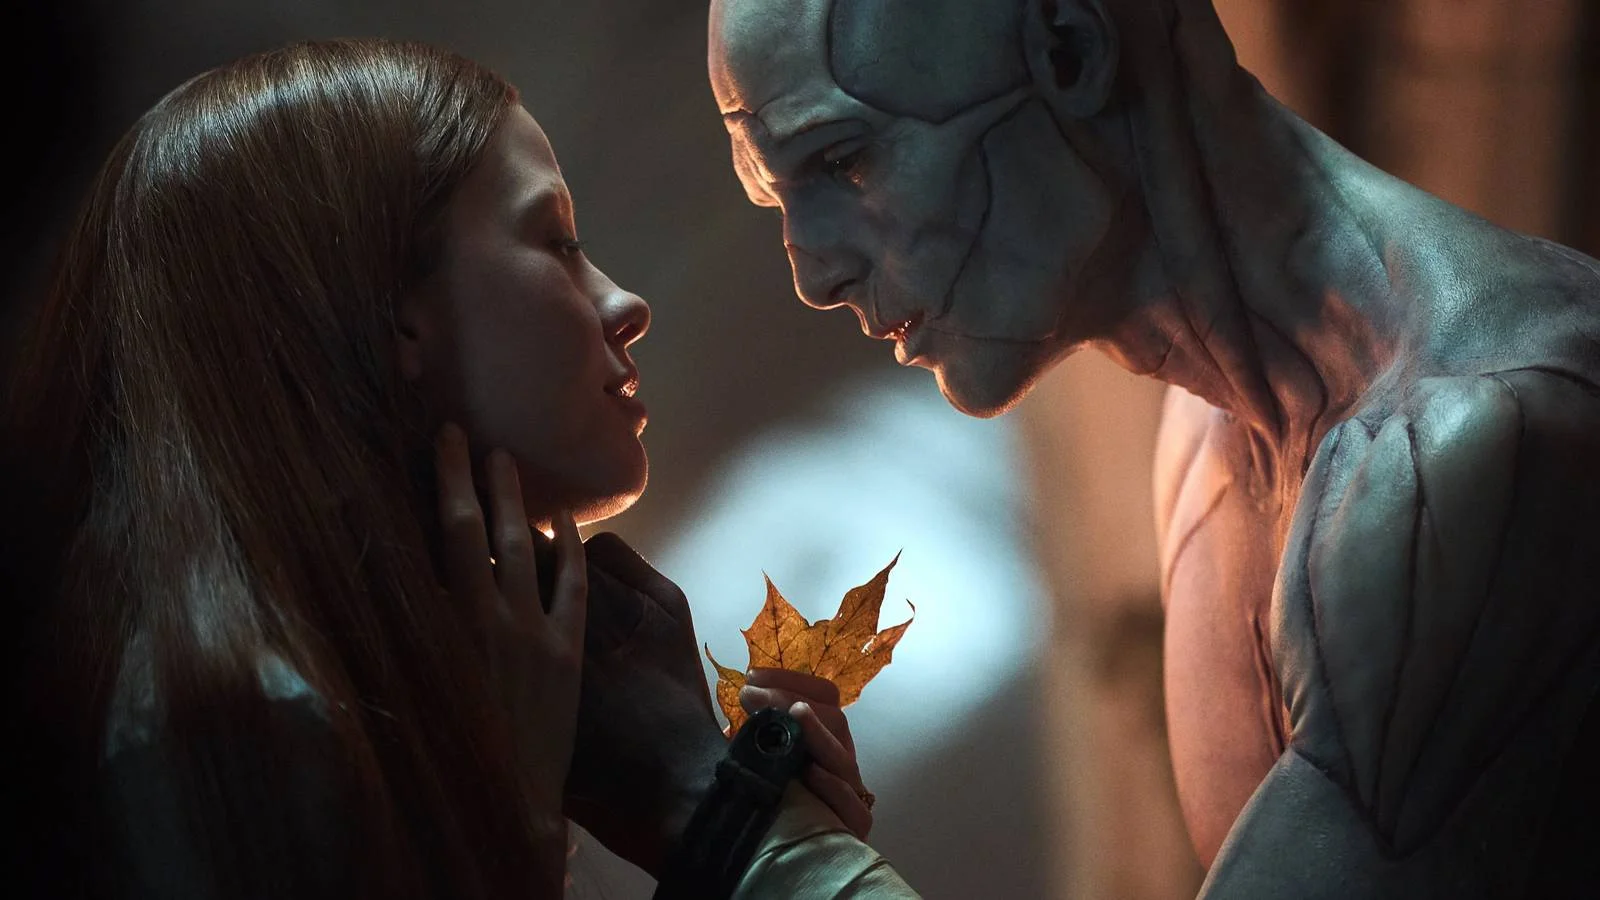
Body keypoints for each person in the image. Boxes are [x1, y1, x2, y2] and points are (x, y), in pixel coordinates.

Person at [707, 0, 1600, 896]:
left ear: (1070, 50)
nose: (815, 274)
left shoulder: (1471, 440)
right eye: (779, 197)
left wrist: (728, 822)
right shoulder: (1208, 431)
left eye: (845, 160)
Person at [1, 38, 912, 899]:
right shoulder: (244, 728)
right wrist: (529, 819)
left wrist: (744, 831)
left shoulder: (309, 695)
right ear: (389, 312)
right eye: (557, 241)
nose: (625, 303)